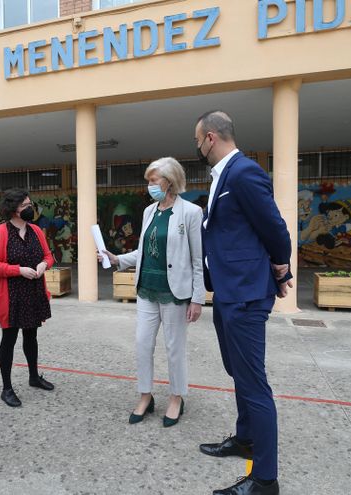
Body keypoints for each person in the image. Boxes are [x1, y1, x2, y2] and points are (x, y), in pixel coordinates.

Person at [194, 111, 293, 495]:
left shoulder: (243, 172)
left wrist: (280, 268)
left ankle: (265, 479)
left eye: (198, 140)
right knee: (238, 372)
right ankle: (245, 439)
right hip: (229, 291)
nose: (198, 147)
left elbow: (274, 227)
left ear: (211, 137)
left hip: (246, 294)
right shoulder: (224, 176)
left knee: (254, 384)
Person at [99, 157, 205, 427]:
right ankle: (146, 396)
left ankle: (176, 398)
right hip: (146, 289)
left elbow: (197, 259)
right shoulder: (149, 212)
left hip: (175, 293)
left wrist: (197, 298)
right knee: (143, 344)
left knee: (174, 349)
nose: (149, 185)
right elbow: (143, 251)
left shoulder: (190, 212)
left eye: (153, 180)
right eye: (148, 181)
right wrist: (117, 259)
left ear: (169, 181)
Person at [0, 188, 56, 407]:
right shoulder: (0, 232)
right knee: (9, 340)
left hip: (33, 293)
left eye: (30, 204)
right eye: (25, 206)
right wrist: (19, 270)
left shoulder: (35, 230)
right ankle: (6, 388)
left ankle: (34, 376)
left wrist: (45, 264)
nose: (30, 208)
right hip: (12, 295)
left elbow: (48, 256)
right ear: (13, 209)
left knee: (31, 336)